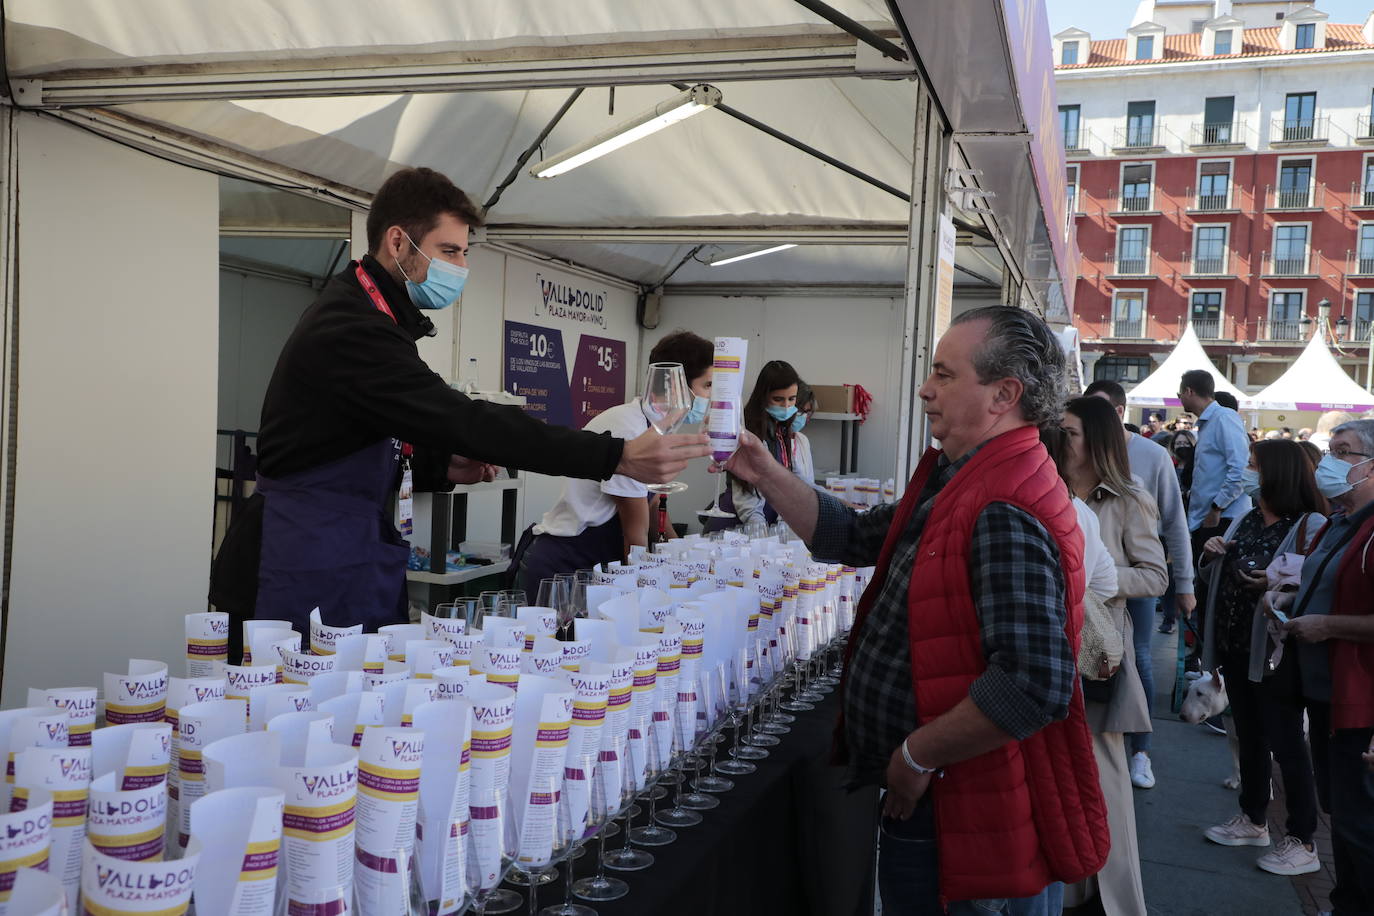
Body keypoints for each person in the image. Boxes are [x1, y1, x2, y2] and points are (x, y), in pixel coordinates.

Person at [209, 167, 707, 646]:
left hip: (342, 547)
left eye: (465, 253)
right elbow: (462, 418)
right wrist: (614, 455)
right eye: (449, 251)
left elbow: (347, 438)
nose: (461, 269)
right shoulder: (350, 327)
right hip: (298, 554)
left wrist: (437, 465)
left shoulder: (379, 319)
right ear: (398, 242)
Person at [722, 306, 1109, 915]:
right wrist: (763, 471)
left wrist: (915, 755)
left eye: (945, 375)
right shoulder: (966, 476)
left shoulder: (1003, 504)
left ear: (1004, 395)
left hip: (961, 815)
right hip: (950, 802)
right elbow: (851, 536)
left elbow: (1034, 682)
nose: (925, 389)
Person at [1197, 440, 1326, 875]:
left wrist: (1274, 583)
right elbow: (1214, 574)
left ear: (1279, 473)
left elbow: (1314, 583)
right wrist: (1211, 553)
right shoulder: (1246, 517)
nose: (1247, 473)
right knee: (1249, 734)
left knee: (1287, 743)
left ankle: (1302, 839)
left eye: (1254, 465)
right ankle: (1253, 818)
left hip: (1276, 653)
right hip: (1236, 646)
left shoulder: (1310, 524)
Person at [1059, 395, 1166, 916]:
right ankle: (1071, 893)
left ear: (1095, 441)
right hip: (1058, 644)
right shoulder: (1049, 488)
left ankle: (1117, 902)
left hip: (1099, 651)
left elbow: (1154, 576)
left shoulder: (1130, 497)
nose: (1061, 441)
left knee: (1105, 779)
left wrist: (1090, 577)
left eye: (1070, 433)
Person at [516, 330, 714, 590]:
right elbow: (635, 532)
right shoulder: (629, 428)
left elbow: (652, 504)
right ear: (676, 386)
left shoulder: (652, 425)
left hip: (596, 561)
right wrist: (647, 588)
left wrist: (683, 557)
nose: (711, 396)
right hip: (564, 566)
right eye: (707, 385)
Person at [1273, 419, 1374, 913]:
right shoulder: (1340, 521)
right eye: (1329, 449)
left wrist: (1327, 625)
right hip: (1324, 691)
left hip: (1358, 699)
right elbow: (1326, 583)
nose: (1329, 461)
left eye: (1343, 452)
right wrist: (1291, 598)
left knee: (1359, 821)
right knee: (1342, 811)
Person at [1084, 379, 1195, 789]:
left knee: (1139, 659)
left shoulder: (1152, 455)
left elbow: (1175, 521)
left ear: (1118, 412)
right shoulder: (1078, 450)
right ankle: (1098, 745)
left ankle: (1141, 751)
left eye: (1100, 412)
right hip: (1091, 587)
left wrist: (1185, 583)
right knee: (1095, 659)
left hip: (1132, 578)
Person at [706, 359, 804, 531]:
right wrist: (761, 532)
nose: (786, 406)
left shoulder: (781, 431)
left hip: (763, 524)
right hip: (735, 527)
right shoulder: (748, 432)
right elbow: (746, 497)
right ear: (763, 397)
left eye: (791, 399)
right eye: (778, 399)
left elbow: (796, 479)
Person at [1178, 369, 1252, 556]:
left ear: (1189, 391)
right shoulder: (1211, 421)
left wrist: (1217, 507)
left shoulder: (1223, 417)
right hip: (1210, 517)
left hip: (1222, 518)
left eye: (1179, 395)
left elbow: (1241, 468)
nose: (1180, 399)